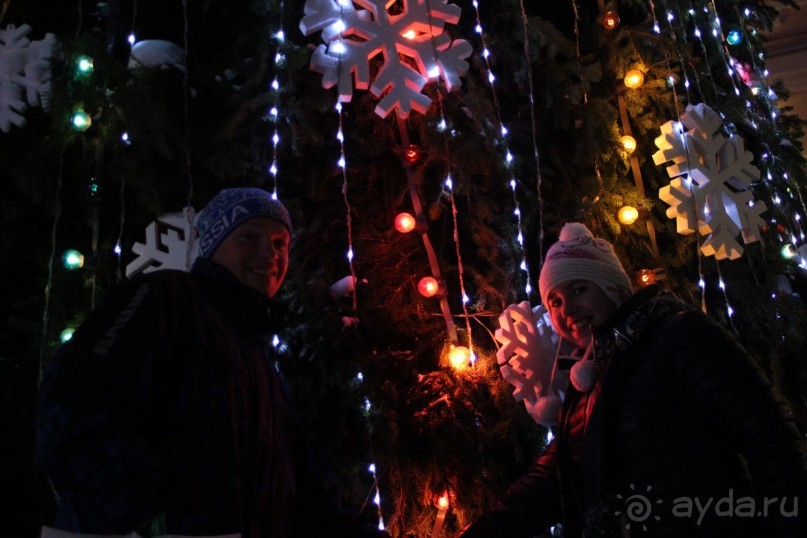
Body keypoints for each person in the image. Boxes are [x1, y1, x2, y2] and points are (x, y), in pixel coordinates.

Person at [37, 187, 383, 537]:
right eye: (249, 237)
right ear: (215, 245)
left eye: (280, 243)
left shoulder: (263, 369)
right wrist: (143, 511)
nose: (269, 253)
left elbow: (306, 493)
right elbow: (76, 397)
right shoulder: (165, 297)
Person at [460, 222, 807, 537]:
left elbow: (768, 435)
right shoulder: (589, 383)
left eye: (579, 289)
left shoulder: (679, 335)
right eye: (555, 301)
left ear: (611, 287)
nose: (567, 309)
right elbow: (551, 480)